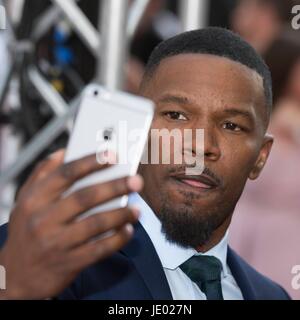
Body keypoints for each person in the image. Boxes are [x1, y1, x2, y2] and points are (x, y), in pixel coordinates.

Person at [0, 27, 291, 300]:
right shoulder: (44, 255)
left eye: (231, 125)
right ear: (136, 130)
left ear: (260, 157)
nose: (201, 146)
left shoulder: (272, 295)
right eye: (176, 115)